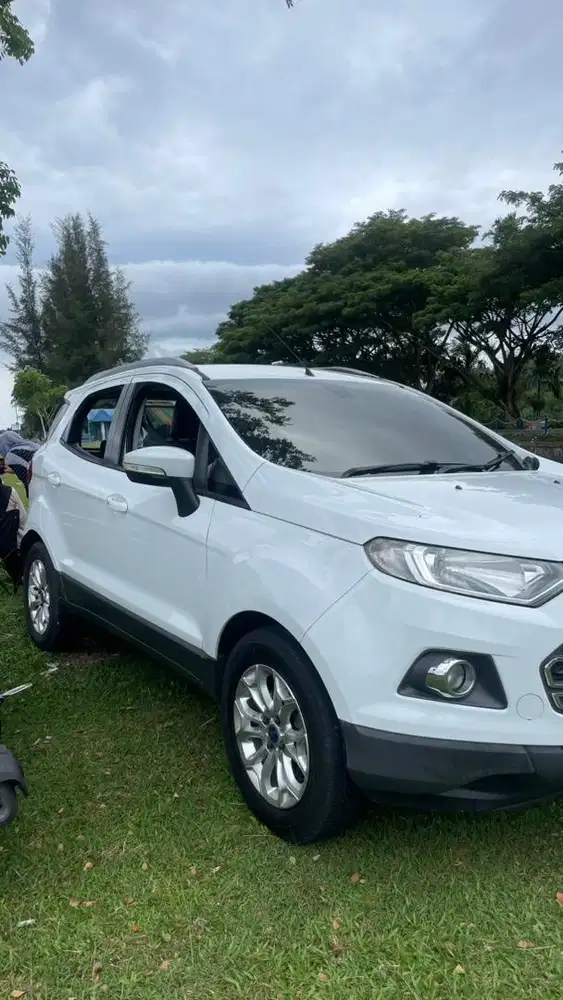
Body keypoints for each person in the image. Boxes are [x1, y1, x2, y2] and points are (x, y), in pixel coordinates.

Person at [0, 430, 39, 498]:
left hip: (36, 487)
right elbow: (23, 466)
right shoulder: (32, 445)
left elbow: (25, 475)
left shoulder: (11, 455)